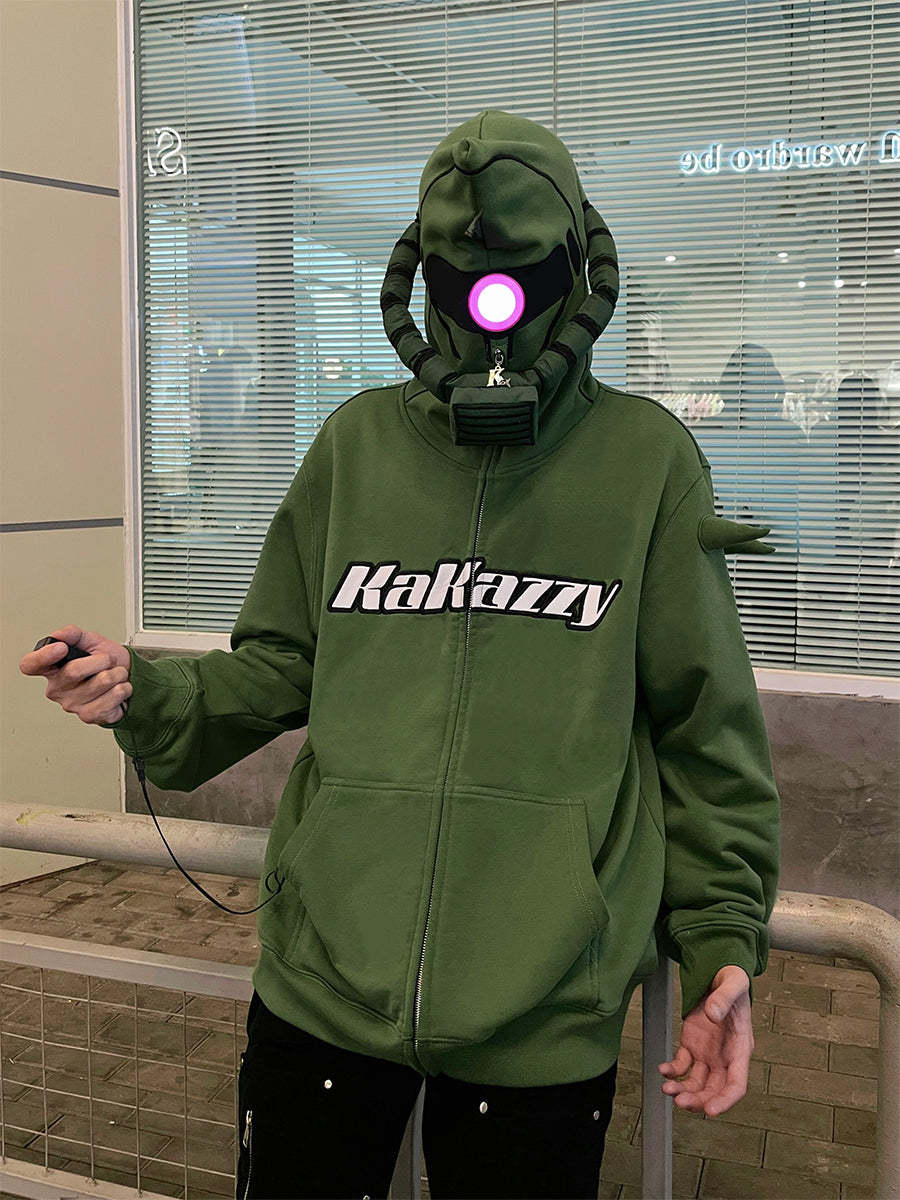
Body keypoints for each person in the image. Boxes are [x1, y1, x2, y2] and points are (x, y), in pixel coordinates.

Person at [20, 110, 782, 1200]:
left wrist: (722, 943)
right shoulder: (355, 447)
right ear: (422, 275)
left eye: (522, 274)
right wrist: (143, 687)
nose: (491, 307)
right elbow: (276, 666)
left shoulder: (646, 464)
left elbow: (710, 733)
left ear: (576, 269)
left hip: (541, 1012)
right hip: (322, 993)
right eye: (462, 275)